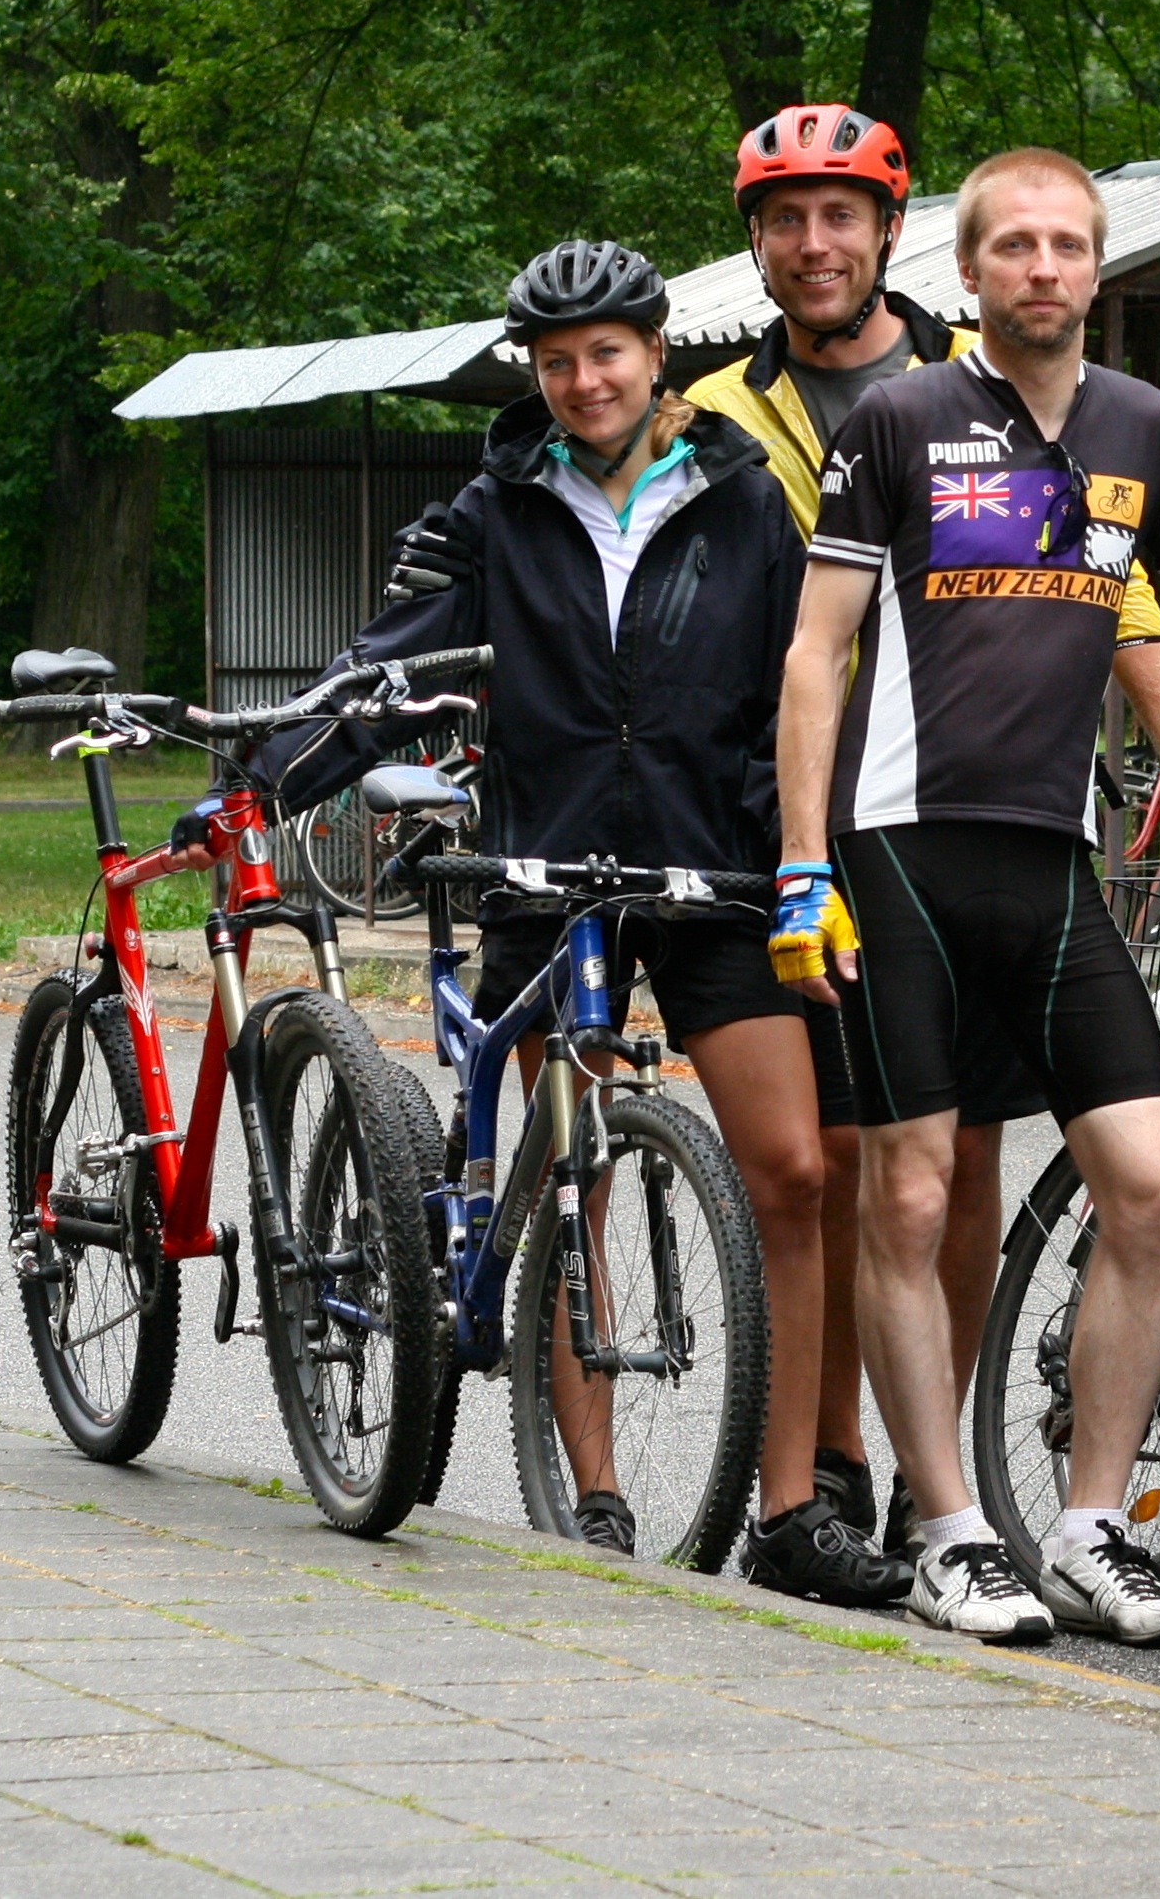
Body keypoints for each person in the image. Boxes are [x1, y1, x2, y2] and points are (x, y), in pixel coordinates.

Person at [771, 146, 1160, 1648]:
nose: (1041, 267)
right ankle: (947, 1528)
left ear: (1098, 268)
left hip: (1052, 857)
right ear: (966, 272)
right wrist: (800, 864)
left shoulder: (1147, 424)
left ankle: (1085, 1525)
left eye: (1067, 244)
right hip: (897, 850)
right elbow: (818, 649)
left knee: (1154, 1186)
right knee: (913, 1188)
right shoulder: (899, 418)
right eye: (1010, 245)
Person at [683, 106, 1160, 1590]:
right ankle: (834, 1491)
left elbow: (1125, 601)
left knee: (969, 1168)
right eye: (784, 220)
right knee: (837, 1175)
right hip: (806, 827)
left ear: (893, 239)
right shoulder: (714, 416)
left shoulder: (1010, 412)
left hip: (996, 825)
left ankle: (967, 1495)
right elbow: (734, 626)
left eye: (839, 217)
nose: (812, 245)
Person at [278, 239, 823, 1570]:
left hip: (713, 867)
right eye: (558, 360)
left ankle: (797, 1504)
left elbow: (806, 675)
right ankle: (594, 1491)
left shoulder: (745, 499)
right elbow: (389, 664)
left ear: (656, 353)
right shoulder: (493, 505)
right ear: (535, 371)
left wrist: (795, 830)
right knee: (570, 1174)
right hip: (539, 869)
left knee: (799, 1173)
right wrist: (279, 768)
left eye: (608, 353)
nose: (585, 381)